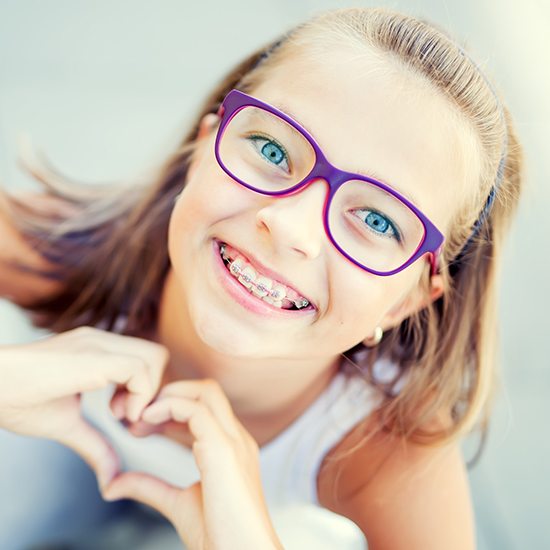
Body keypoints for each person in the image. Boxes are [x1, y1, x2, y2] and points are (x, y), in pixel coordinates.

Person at [0, 6, 523, 550]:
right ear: (204, 149)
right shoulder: (65, 249)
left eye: (376, 220)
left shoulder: (385, 448)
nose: (291, 227)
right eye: (272, 150)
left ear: (407, 300)